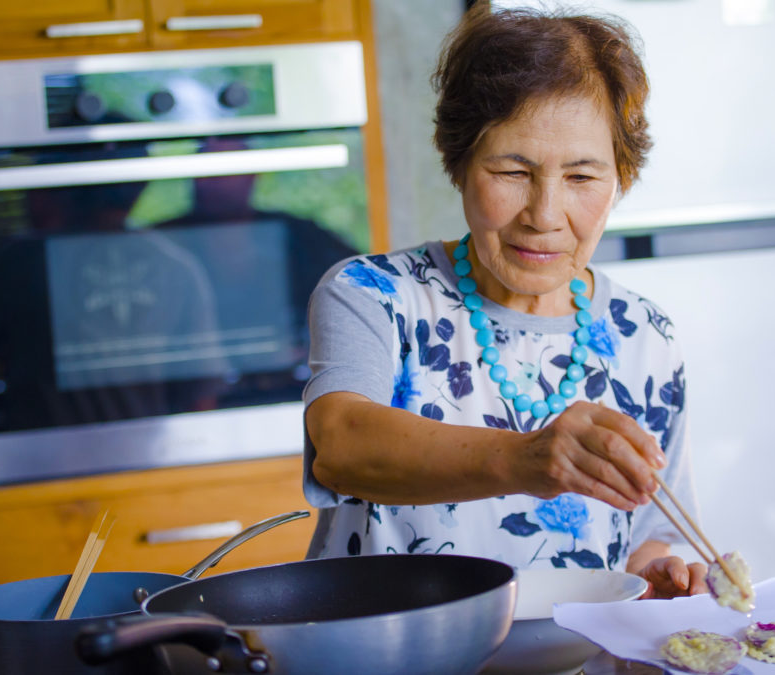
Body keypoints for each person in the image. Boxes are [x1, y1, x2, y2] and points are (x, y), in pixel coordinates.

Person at [302, 3, 706, 599]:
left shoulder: (645, 335)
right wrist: (529, 459)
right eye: (513, 170)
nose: (544, 216)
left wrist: (651, 577)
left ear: (620, 177)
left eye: (582, 178)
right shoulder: (374, 296)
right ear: (460, 164)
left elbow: (642, 536)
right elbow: (341, 447)